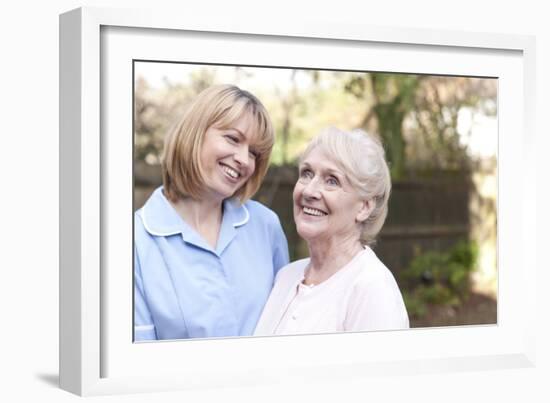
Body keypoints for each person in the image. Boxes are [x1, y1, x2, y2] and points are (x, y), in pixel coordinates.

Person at [134, 84, 289, 341]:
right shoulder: (134, 243)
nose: (243, 159)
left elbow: (285, 326)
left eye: (254, 153)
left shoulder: (266, 226)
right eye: (233, 139)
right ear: (195, 133)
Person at [254, 127, 409, 336]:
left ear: (364, 207)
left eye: (332, 180)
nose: (309, 191)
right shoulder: (286, 277)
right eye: (307, 174)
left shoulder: (372, 288)